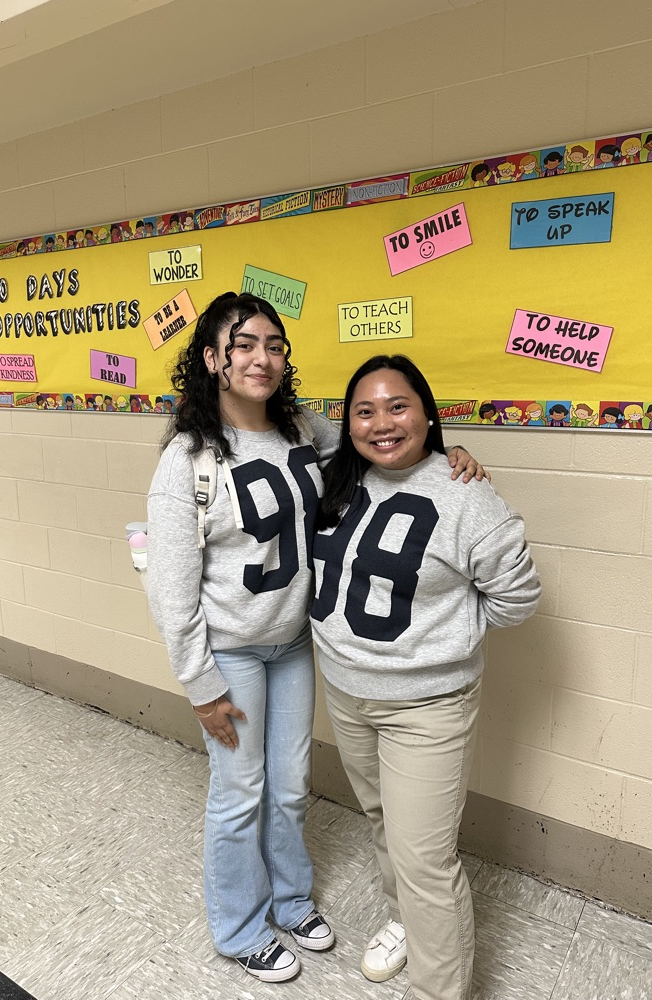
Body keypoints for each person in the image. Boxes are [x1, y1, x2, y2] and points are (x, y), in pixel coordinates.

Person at [145, 295, 485, 984]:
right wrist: (200, 683)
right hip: (231, 654)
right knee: (239, 792)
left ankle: (292, 900)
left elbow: (382, 452)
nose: (260, 358)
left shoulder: (305, 429)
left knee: (292, 786)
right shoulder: (186, 460)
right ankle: (240, 927)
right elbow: (172, 589)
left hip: (295, 645)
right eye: (241, 345)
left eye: (272, 344)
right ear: (210, 359)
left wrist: (451, 457)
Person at [311, 355, 541, 1000]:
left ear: (429, 412)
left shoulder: (466, 495)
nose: (383, 422)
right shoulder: (337, 474)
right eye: (365, 410)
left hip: (426, 707)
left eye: (398, 405)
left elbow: (517, 598)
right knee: (385, 821)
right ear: (347, 423)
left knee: (425, 861)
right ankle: (402, 923)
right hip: (347, 691)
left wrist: (442, 639)